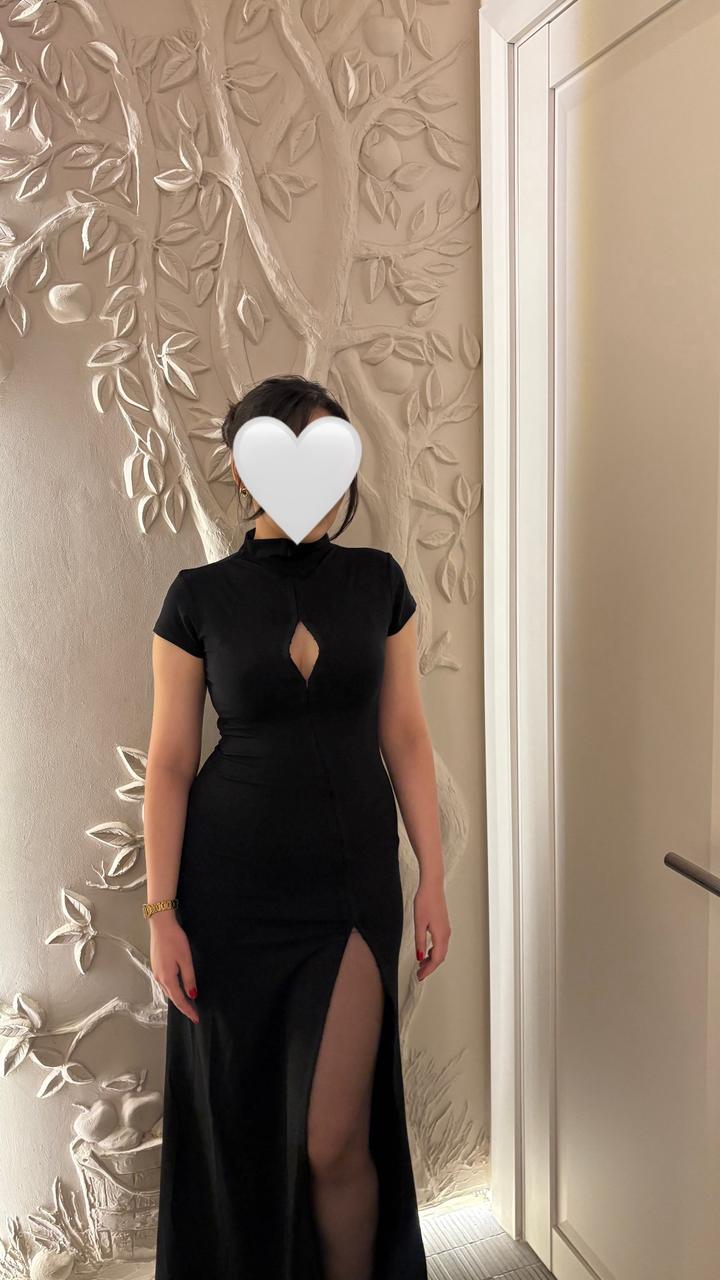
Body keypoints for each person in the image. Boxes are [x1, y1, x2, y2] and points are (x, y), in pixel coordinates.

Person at [145, 373, 450, 1280]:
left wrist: (433, 877)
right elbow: (169, 763)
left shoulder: (379, 582)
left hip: (350, 889)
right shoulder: (196, 598)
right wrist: (161, 910)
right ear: (245, 472)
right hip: (226, 891)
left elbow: (406, 735)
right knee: (241, 1123)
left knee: (335, 1140)